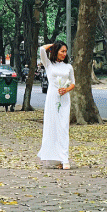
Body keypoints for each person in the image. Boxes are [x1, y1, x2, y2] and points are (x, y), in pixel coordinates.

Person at [37, 42, 75, 170]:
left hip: (64, 98)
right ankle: (55, 158)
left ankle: (64, 159)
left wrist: (66, 90)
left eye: (65, 51)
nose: (64, 54)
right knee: (52, 127)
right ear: (56, 51)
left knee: (63, 128)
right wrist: (54, 44)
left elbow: (73, 84)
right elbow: (42, 49)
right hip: (52, 98)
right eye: (62, 51)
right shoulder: (48, 64)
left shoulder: (68, 67)